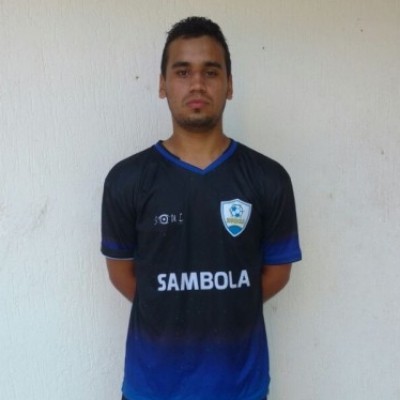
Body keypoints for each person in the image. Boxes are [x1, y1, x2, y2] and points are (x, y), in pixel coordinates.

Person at [101, 16, 302, 400]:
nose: (197, 84)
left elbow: (277, 273)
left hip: (240, 388)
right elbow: (122, 274)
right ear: (162, 84)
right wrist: (177, 306)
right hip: (152, 389)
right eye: (182, 72)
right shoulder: (127, 180)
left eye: (211, 72)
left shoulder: (268, 178)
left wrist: (221, 304)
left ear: (229, 84)